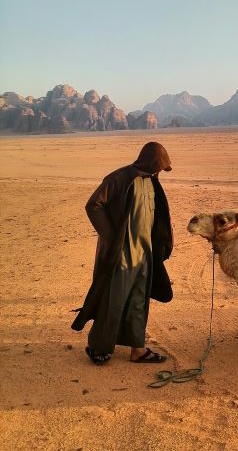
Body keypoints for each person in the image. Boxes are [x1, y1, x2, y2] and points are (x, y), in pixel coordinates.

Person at [72, 142, 174, 365]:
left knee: (139, 301)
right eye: (158, 167)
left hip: (145, 254)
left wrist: (162, 245)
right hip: (123, 253)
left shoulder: (151, 182)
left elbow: (158, 219)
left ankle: (138, 349)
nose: (159, 172)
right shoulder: (119, 178)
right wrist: (112, 238)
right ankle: (99, 347)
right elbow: (94, 205)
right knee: (113, 300)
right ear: (149, 162)